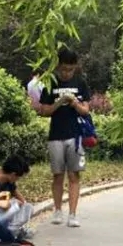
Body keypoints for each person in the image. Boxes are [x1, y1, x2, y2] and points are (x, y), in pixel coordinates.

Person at [38, 47, 91, 228]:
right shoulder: (51, 82)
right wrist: (59, 102)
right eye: (63, 69)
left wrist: (75, 103)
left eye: (70, 69)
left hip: (75, 136)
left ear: (75, 67)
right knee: (58, 175)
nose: (67, 73)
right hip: (56, 135)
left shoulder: (81, 82)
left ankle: (73, 214)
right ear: (58, 67)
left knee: (74, 175)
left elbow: (85, 110)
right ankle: (58, 210)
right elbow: (44, 111)